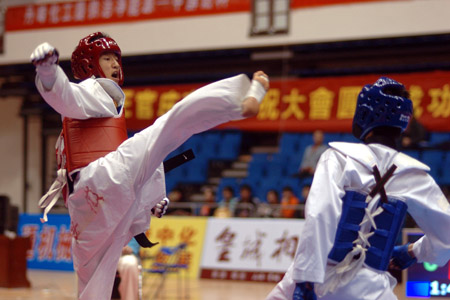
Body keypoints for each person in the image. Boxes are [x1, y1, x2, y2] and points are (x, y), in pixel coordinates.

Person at [31, 32, 269, 300]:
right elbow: (66, 95)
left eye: (116, 58)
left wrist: (151, 199)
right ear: (89, 65)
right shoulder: (95, 89)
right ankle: (238, 100)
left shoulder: (73, 130)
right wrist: (48, 73)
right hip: (100, 178)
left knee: (92, 286)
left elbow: (136, 162)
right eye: (106, 58)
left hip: (85, 209)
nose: (115, 64)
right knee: (166, 128)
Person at [266, 77, 450, 300]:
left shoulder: (337, 158)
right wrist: (414, 251)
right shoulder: (416, 176)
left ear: (364, 113)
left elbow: (320, 214)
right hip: (372, 289)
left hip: (323, 274)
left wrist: (305, 278)